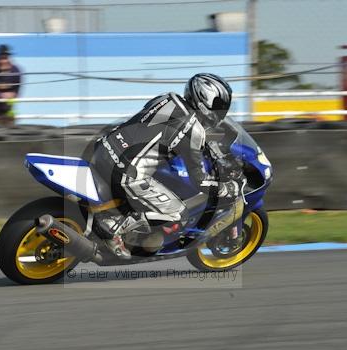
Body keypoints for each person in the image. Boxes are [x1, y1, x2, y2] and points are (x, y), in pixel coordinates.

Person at [91, 73, 240, 259]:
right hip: (125, 172)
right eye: (219, 106)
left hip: (103, 149)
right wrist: (226, 188)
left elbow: (153, 129)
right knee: (177, 213)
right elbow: (199, 182)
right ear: (205, 99)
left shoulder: (167, 98)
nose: (221, 112)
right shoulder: (194, 130)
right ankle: (113, 226)